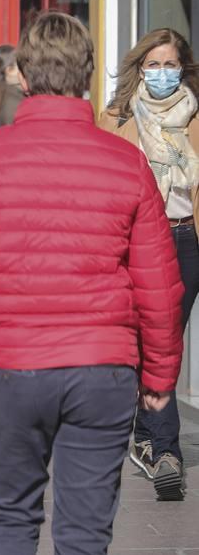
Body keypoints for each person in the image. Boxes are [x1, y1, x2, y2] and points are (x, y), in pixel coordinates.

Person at [0, 12, 183, 554]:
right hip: (103, 369)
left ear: (22, 74)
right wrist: (159, 375)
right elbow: (158, 285)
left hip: (12, 368)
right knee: (85, 531)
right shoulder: (128, 164)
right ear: (87, 75)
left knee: (9, 519)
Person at [98, 27, 199, 500]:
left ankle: (149, 438)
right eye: (153, 64)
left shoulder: (196, 117)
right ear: (140, 68)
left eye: (170, 64)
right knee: (150, 341)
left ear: (184, 67)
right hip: (137, 241)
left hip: (184, 240)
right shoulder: (116, 119)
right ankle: (165, 452)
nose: (162, 73)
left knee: (164, 340)